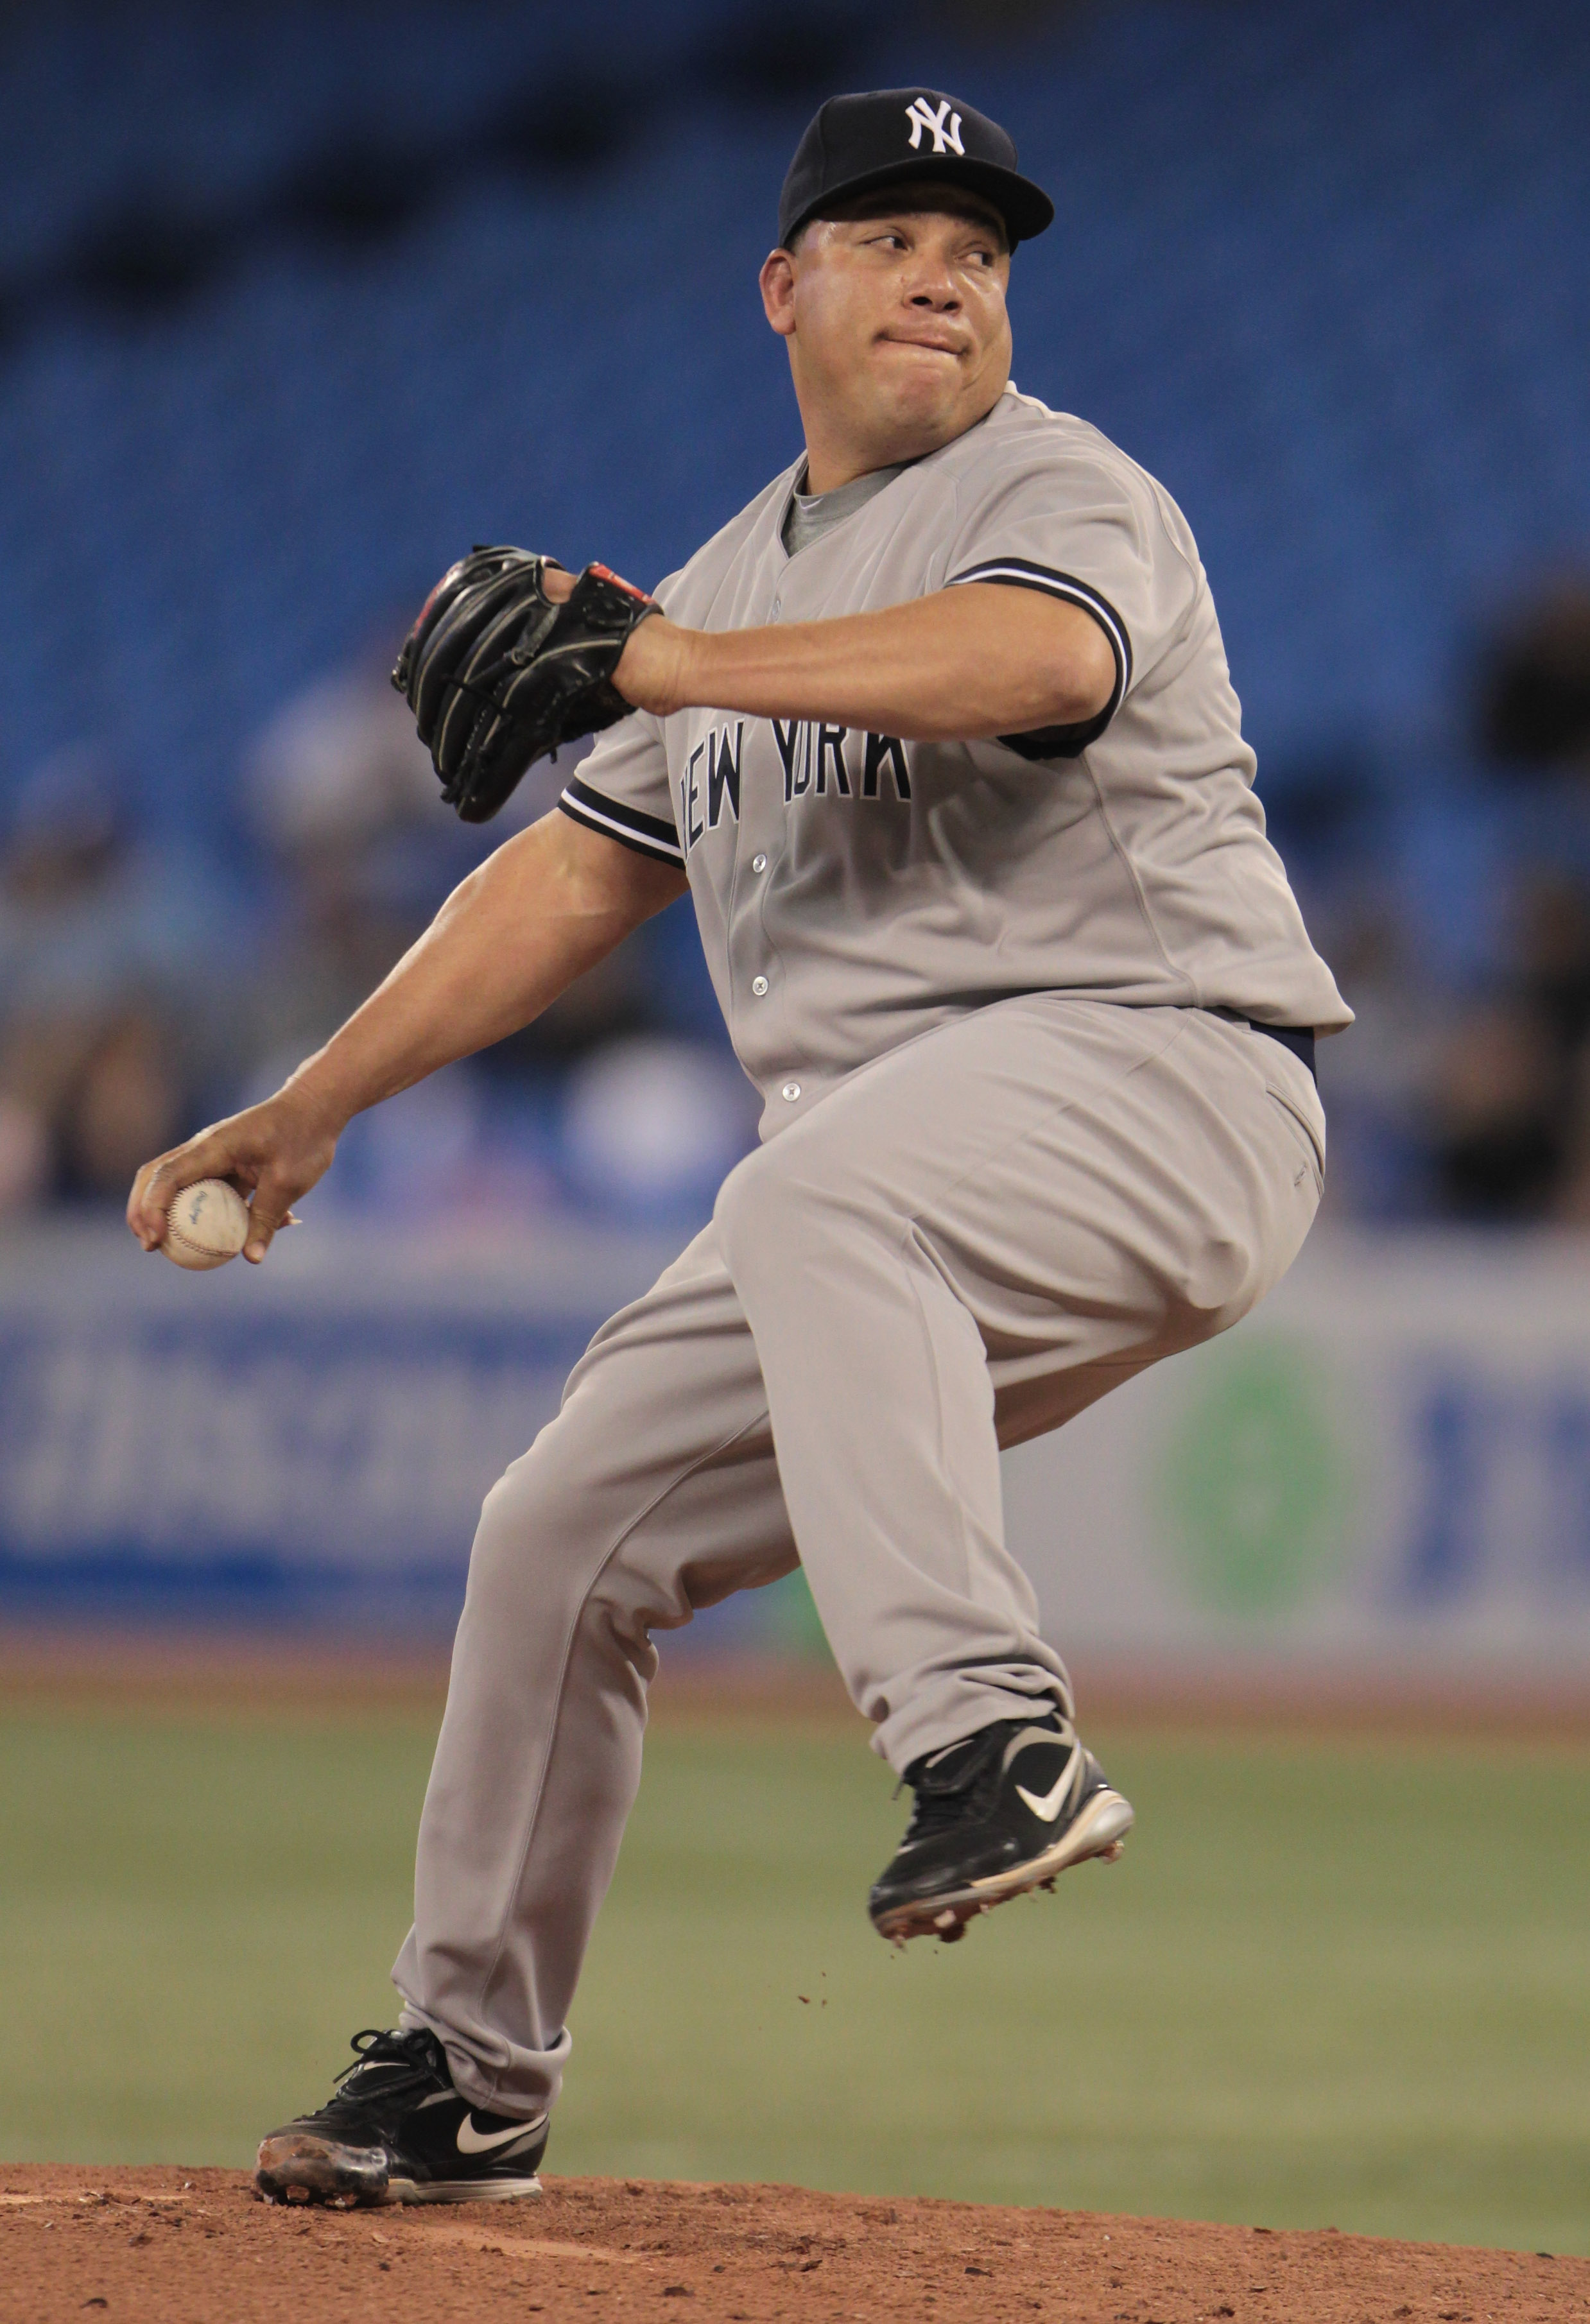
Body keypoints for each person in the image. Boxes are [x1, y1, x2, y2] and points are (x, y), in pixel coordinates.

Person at [128, 87, 1349, 2207]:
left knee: (816, 1187)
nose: (946, 272)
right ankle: (466, 2072)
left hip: (1165, 1076)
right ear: (782, 287)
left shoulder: (1063, 489)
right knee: (559, 1530)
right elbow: (576, 884)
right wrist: (312, 1100)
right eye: (890, 235)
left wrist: (661, 658)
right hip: (894, 1182)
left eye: (978, 248)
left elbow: (1036, 657)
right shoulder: (724, 583)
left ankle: (985, 1735)